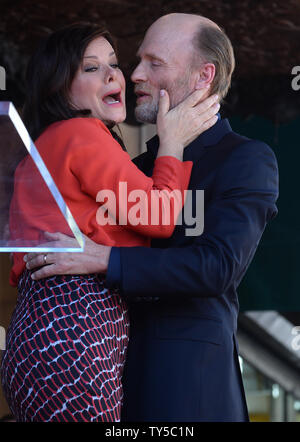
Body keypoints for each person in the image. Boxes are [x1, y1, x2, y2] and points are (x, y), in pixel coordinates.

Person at [24, 13, 279, 422]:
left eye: (154, 63)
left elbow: (218, 267)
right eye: (137, 60)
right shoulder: (130, 162)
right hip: (99, 368)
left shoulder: (244, 158)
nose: (135, 73)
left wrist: (105, 259)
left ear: (203, 76)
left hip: (183, 385)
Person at [0, 21, 219, 422]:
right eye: (90, 68)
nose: (114, 74)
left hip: (38, 335)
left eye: (114, 63)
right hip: (73, 334)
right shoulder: (81, 134)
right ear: (59, 88)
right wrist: (172, 142)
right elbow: (158, 216)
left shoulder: (46, 146)